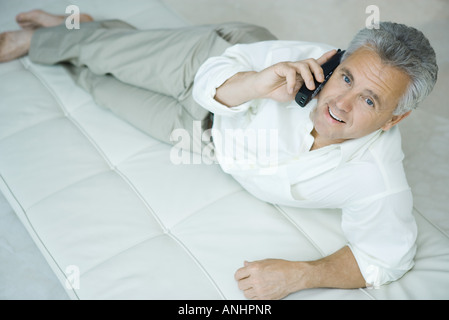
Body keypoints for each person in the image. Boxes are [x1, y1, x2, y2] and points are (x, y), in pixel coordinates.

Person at [0, 9, 438, 300]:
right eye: (345, 78)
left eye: (369, 101)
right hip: (209, 64)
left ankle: (84, 29)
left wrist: (300, 275)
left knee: (98, 84)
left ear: (391, 121)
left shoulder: (377, 180)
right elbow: (215, 74)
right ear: (337, 62)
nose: (339, 104)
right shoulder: (299, 61)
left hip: (202, 137)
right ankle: (58, 35)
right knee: (100, 54)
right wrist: (259, 82)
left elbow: (385, 258)